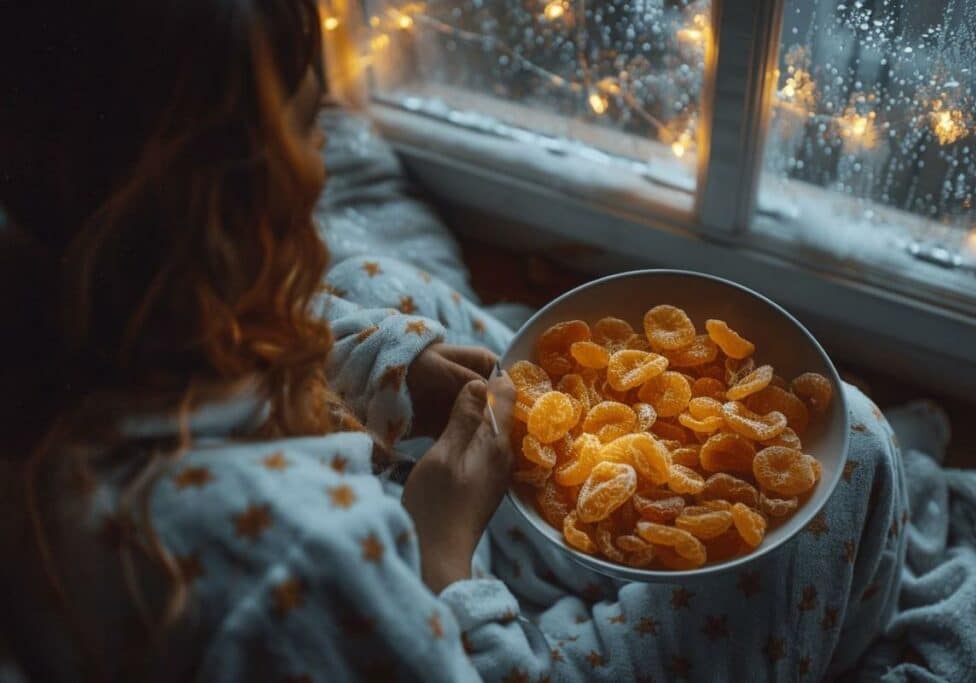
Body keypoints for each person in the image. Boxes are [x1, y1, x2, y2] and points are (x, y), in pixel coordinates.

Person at [0, 2, 908, 681]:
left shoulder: (77, 314)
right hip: (446, 612)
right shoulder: (307, 562)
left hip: (356, 517)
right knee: (855, 451)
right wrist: (443, 552)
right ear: (226, 202)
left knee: (361, 291)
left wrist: (393, 370)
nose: (324, 160)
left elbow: (299, 320)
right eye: (312, 126)